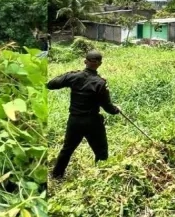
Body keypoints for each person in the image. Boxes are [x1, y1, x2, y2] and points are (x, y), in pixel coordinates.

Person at [47, 50, 121, 180]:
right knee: (101, 152)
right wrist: (116, 110)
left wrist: (68, 75)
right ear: (100, 64)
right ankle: (101, 177)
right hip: (93, 122)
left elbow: (51, 84)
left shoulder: (73, 77)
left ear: (85, 62)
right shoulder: (100, 83)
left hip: (74, 121)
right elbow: (107, 107)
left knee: (67, 149)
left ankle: (56, 176)